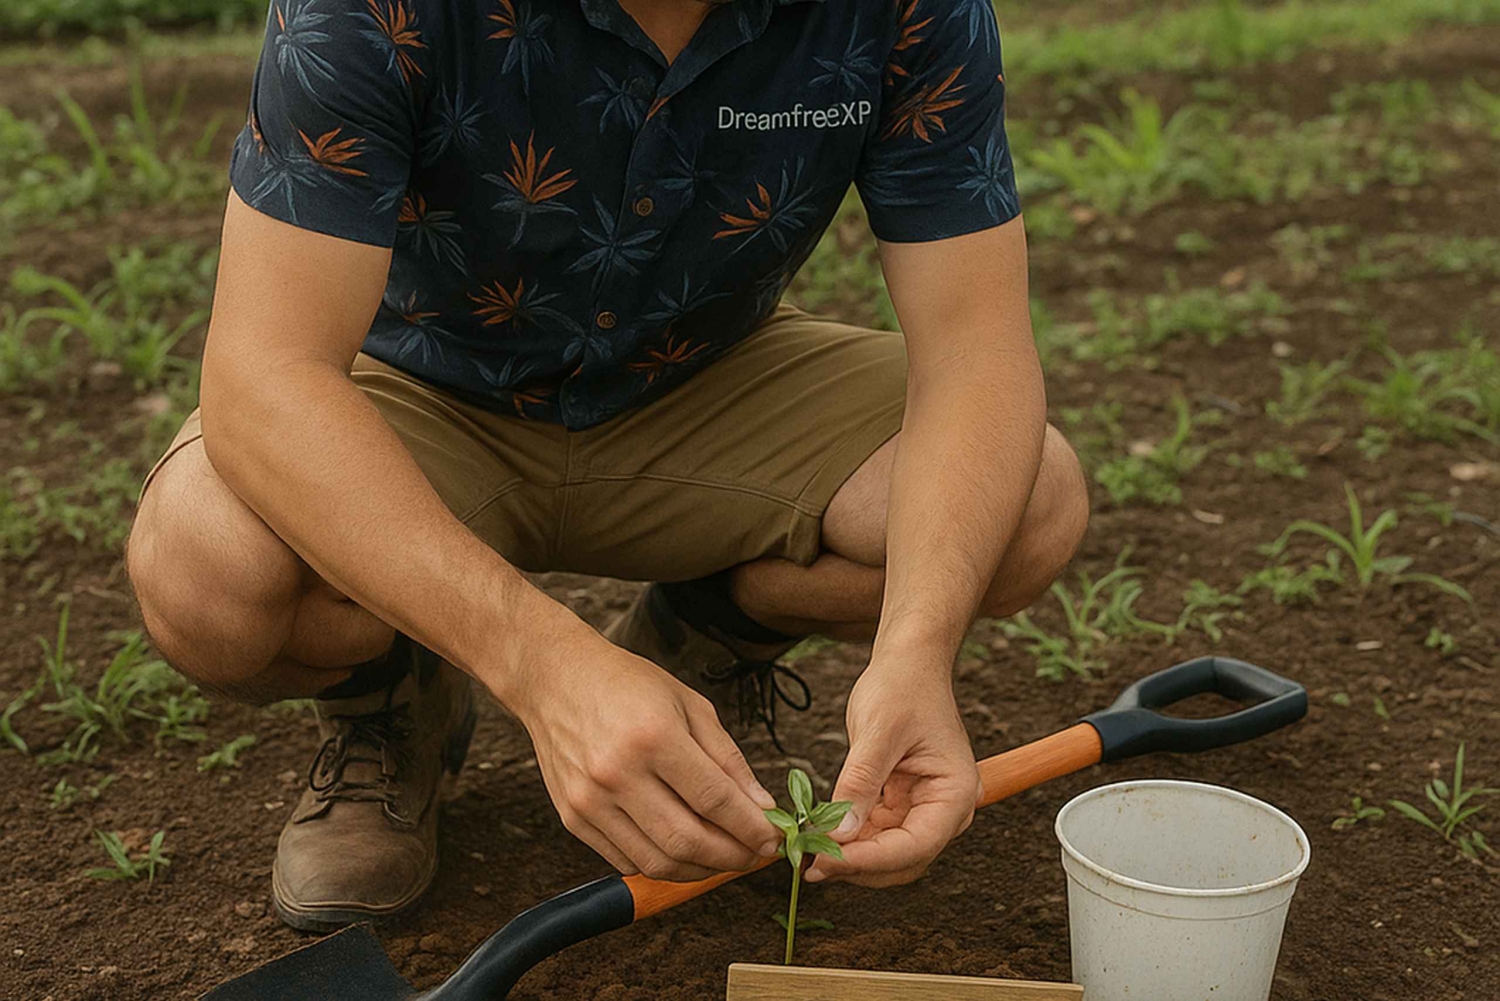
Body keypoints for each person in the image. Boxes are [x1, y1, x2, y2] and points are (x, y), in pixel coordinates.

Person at [126, 0, 1089, 932]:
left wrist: (918, 652)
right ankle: (389, 695)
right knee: (208, 569)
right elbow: (265, 374)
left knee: (1026, 503)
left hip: (709, 378)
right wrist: (543, 666)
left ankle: (705, 643)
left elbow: (976, 354)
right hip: (418, 385)